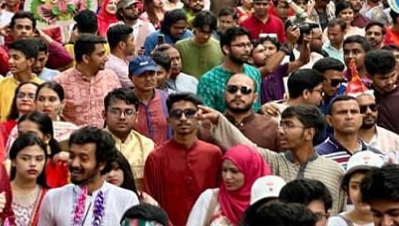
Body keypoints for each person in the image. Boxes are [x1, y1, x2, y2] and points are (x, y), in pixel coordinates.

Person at [201, 104, 345, 212]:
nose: (280, 131)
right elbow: (246, 148)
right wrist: (219, 121)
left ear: (309, 133)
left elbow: (339, 214)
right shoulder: (273, 162)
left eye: (289, 125)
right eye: (281, 124)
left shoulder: (334, 171)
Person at [142, 93, 223, 226]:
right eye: (177, 114)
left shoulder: (213, 154)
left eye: (189, 113)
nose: (183, 118)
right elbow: (149, 200)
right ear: (168, 120)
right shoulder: (156, 157)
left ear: (199, 118)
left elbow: (221, 196)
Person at [36, 127, 139, 226]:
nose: (75, 164)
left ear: (102, 164)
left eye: (83, 159)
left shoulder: (126, 200)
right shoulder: (53, 198)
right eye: (72, 156)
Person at [186, 145, 272, 226]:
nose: (227, 177)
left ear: (251, 173)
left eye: (234, 171)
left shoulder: (262, 205)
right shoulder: (210, 198)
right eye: (224, 170)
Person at [54, 34, 121, 127]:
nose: (106, 58)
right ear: (86, 58)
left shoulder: (110, 77)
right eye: (100, 54)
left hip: (107, 135)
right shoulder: (60, 82)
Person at [203, 73, 279, 152]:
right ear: (224, 94)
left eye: (245, 90)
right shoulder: (209, 126)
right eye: (232, 89)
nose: (238, 94)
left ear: (255, 97)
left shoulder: (271, 127)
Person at [197, 26, 262, 112]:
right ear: (226, 49)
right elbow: (206, 114)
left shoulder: (254, 73)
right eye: (240, 45)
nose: (247, 49)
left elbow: (256, 107)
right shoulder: (209, 80)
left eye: (248, 45)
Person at [103, 88, 155, 190]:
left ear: (137, 116)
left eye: (128, 112)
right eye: (115, 111)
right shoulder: (93, 143)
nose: (122, 117)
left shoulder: (147, 145)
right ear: (104, 115)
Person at [315, 95, 384, 169]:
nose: (349, 117)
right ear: (329, 120)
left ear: (361, 118)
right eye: (342, 112)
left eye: (354, 112)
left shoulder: (376, 155)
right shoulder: (317, 155)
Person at [364, 50, 399, 140]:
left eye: (392, 75)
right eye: (383, 78)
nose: (390, 82)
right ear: (369, 76)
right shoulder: (363, 97)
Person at [328, 152, 383, 226]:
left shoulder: (392, 222)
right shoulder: (334, 223)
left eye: (370, 185)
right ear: (347, 190)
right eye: (355, 186)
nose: (362, 193)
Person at [0, 39, 43, 116]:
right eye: (9, 57)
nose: (10, 61)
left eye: (16, 58)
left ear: (30, 61)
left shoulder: (42, 87)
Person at [8, 133, 50, 226]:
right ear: (13, 161)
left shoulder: (50, 196)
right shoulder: (0, 193)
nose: (33, 164)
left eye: (39, 159)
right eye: (25, 158)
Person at [354, 92, 399, 164]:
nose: (369, 112)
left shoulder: (394, 139)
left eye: (373, 107)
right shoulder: (346, 139)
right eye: (362, 109)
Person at [175, 11, 223, 79]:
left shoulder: (220, 47)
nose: (205, 36)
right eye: (202, 32)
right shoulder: (180, 46)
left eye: (209, 32)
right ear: (194, 28)